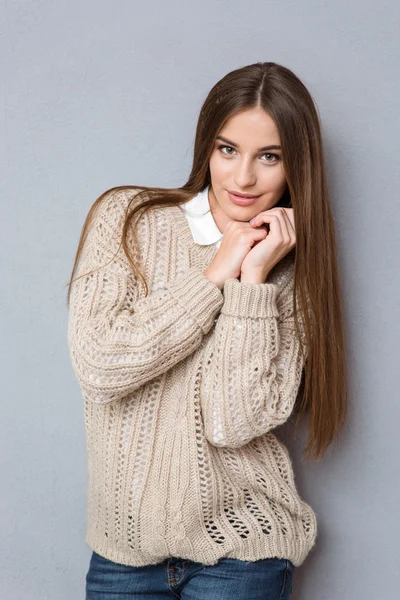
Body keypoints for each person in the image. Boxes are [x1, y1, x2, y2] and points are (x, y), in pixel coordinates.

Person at [66, 61, 348, 599]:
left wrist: (254, 280)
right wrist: (215, 272)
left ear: (297, 167)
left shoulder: (290, 271)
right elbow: (101, 366)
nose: (243, 178)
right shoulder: (127, 218)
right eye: (228, 150)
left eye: (270, 157)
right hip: (123, 554)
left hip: (242, 557)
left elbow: (232, 420)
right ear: (206, 147)